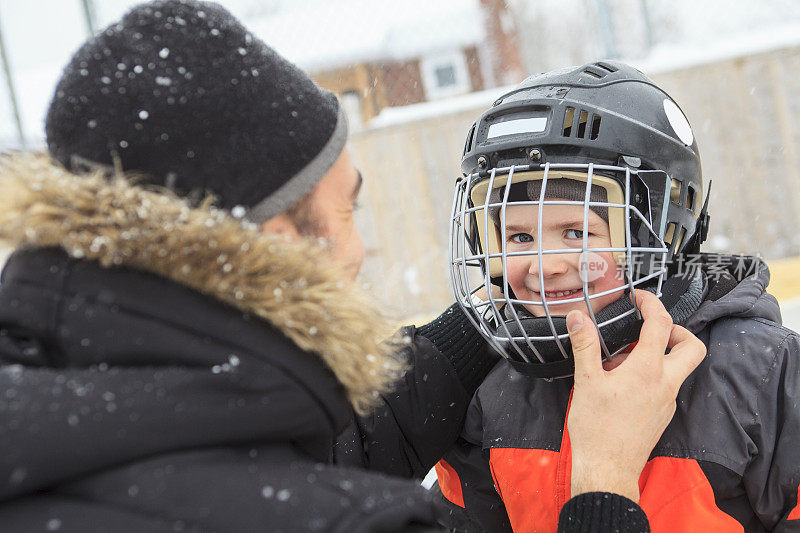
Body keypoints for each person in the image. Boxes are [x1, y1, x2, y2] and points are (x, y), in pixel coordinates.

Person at [0, 3, 702, 531]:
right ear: (279, 243)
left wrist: (489, 321)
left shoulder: (55, 412)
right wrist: (604, 479)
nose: (357, 246)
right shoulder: (356, 520)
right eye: (347, 211)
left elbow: (280, 454)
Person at [437, 60, 800, 532]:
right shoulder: (492, 387)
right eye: (520, 238)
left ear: (659, 232)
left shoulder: (760, 372)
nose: (545, 265)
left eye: (575, 232)